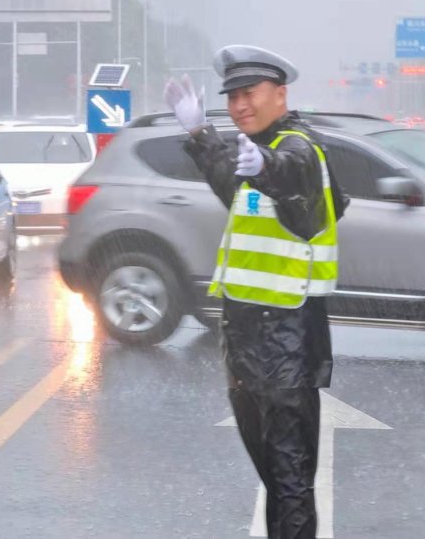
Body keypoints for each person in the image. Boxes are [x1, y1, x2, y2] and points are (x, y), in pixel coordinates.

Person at [164, 45, 348, 539]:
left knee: (289, 483)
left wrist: (265, 164)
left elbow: (290, 171)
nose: (239, 105)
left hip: (286, 340)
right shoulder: (249, 156)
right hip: (244, 340)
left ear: (280, 94)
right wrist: (201, 134)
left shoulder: (300, 149)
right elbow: (230, 177)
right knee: (275, 477)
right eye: (232, 96)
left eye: (250, 93)